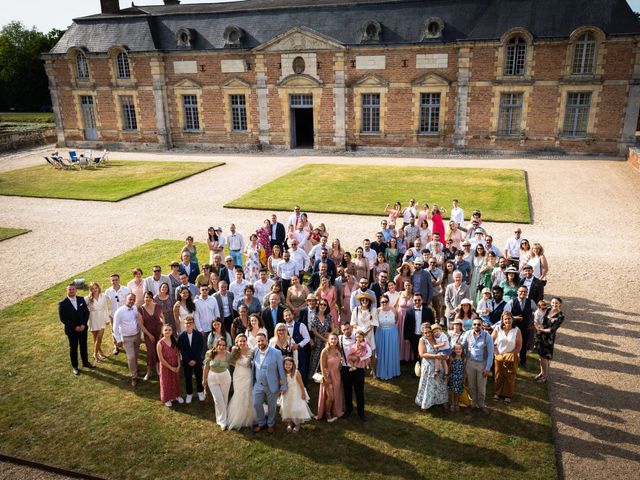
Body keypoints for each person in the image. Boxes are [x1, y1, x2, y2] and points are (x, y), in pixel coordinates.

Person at [252, 332, 287, 434]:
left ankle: (271, 423)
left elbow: (281, 370)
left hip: (272, 385)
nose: (260, 343)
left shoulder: (276, 353)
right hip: (258, 384)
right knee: (256, 403)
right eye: (258, 341)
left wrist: (283, 386)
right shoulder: (255, 351)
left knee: (272, 406)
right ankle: (261, 422)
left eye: (262, 340)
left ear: (266, 340)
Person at [59, 283, 93, 375]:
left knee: (84, 346)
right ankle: (75, 367)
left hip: (83, 328)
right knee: (73, 348)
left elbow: (86, 313)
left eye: (73, 289)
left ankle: (85, 362)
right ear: (67, 291)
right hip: (71, 330)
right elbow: (63, 318)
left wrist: (83, 324)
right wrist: (75, 327)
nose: (71, 291)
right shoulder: (63, 303)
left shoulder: (81, 299)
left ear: (76, 290)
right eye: (69, 289)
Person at [461, 318, 494, 414]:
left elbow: (490, 354)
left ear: (482, 325)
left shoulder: (487, 337)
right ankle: (473, 403)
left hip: (482, 364)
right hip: (470, 363)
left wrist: (487, 368)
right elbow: (462, 346)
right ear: (472, 325)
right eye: (474, 324)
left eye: (478, 324)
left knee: (481, 386)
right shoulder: (468, 334)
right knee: (471, 384)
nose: (476, 326)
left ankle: (482, 404)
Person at [339, 322, 370, 421]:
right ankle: (349, 410)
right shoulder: (339, 338)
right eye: (344, 330)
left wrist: (359, 358)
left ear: (351, 328)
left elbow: (368, 351)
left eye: (348, 329)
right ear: (341, 330)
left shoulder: (358, 336)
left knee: (359, 391)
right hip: (345, 367)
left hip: (358, 368)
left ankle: (361, 412)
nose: (346, 331)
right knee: (347, 391)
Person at [415, 323, 449, 411]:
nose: (428, 334)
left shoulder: (437, 337)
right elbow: (422, 354)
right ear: (422, 333)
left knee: (440, 383)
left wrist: (445, 355)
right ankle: (426, 403)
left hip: (439, 364)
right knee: (428, 385)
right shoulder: (422, 340)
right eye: (425, 333)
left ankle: (442, 401)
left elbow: (445, 346)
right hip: (428, 365)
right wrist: (435, 356)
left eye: (429, 332)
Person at [226, 333, 257, 430]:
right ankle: (239, 418)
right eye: (240, 341)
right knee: (239, 394)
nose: (242, 343)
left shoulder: (251, 350)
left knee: (248, 394)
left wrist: (251, 358)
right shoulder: (235, 351)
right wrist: (249, 359)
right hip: (238, 376)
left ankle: (249, 416)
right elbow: (243, 363)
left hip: (248, 375)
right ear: (237, 342)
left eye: (244, 341)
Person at [112, 293, 144, 386]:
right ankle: (134, 377)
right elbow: (115, 327)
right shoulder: (119, 312)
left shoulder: (135, 308)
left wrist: (140, 335)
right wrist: (118, 340)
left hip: (136, 335)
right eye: (130, 299)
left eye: (133, 299)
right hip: (126, 338)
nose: (132, 301)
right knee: (131, 357)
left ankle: (136, 370)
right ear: (125, 300)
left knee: (136, 354)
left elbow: (138, 321)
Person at [492, 312, 522, 404]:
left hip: (512, 356)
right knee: (498, 375)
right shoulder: (497, 329)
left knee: (509, 376)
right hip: (499, 356)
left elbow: (519, 346)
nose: (507, 320)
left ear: (512, 319)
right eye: (505, 319)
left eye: (509, 318)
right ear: (502, 320)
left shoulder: (516, 330)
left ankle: (507, 395)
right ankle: (497, 393)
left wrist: (511, 354)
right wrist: (496, 352)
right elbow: (491, 341)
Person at [203, 338, 233, 430]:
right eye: (220, 345)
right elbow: (206, 367)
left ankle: (221, 419)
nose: (221, 347)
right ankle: (223, 421)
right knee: (217, 400)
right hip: (212, 378)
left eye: (224, 345)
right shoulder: (209, 353)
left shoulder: (228, 354)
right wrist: (204, 379)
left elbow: (236, 362)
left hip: (225, 378)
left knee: (224, 399)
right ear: (216, 345)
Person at [507, 285, 537, 369]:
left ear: (527, 293)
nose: (523, 293)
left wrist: (534, 322)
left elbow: (537, 312)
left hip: (526, 328)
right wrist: (515, 318)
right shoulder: (511, 302)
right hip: (513, 327)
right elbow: (506, 315)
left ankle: (523, 361)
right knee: (512, 344)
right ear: (517, 292)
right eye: (521, 291)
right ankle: (511, 360)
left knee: (524, 345)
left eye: (525, 292)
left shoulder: (531, 302)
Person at [534, 297, 564, 383]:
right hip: (540, 335)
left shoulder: (561, 316)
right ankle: (542, 372)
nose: (554, 304)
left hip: (548, 338)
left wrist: (541, 330)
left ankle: (545, 376)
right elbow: (538, 317)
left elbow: (552, 329)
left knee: (545, 358)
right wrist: (537, 326)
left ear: (560, 304)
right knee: (540, 356)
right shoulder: (547, 310)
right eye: (553, 302)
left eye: (556, 303)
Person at [315, 332, 344, 422]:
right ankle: (327, 414)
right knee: (330, 396)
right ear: (328, 340)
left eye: (335, 339)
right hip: (327, 376)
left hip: (337, 375)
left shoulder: (338, 350)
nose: (333, 340)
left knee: (336, 395)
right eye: (331, 339)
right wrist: (326, 378)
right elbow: (322, 366)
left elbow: (339, 364)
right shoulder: (325, 351)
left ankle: (334, 411)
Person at [280, 357, 313, 433]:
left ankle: (297, 424)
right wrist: (282, 389)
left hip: (296, 393)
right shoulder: (283, 373)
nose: (288, 366)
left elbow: (301, 384)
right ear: (283, 365)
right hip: (287, 393)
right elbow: (281, 383)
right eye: (286, 364)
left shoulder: (296, 373)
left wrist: (303, 393)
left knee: (296, 407)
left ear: (293, 365)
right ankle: (289, 422)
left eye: (290, 364)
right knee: (287, 407)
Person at [177, 316, 205, 403]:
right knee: (188, 377)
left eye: (190, 323)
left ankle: (200, 391)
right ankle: (189, 393)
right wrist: (188, 360)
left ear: (193, 324)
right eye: (186, 323)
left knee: (199, 376)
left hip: (197, 360)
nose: (188, 325)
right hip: (187, 361)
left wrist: (195, 360)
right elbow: (182, 350)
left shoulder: (199, 335)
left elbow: (201, 348)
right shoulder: (181, 336)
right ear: (184, 324)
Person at [351, 292, 379, 377]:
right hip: (359, 334)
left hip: (369, 334)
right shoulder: (356, 309)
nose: (364, 301)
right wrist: (360, 332)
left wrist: (366, 332)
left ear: (369, 301)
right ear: (360, 301)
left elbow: (374, 323)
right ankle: (359, 369)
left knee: (372, 353)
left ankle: (373, 370)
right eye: (362, 300)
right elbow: (353, 323)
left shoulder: (373, 310)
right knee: (358, 352)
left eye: (366, 300)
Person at [139, 291, 164, 381]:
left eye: (150, 297)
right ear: (144, 298)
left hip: (158, 331)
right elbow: (141, 324)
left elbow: (162, 317)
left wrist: (163, 326)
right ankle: (148, 371)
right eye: (146, 297)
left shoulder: (158, 306)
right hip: (148, 333)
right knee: (150, 352)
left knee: (158, 351)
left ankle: (158, 369)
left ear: (152, 298)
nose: (148, 299)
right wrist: (149, 335)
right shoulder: (141, 309)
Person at [375, 294, 400, 380]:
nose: (384, 303)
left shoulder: (394, 310)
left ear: (388, 302)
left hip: (392, 333)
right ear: (380, 303)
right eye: (382, 302)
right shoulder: (377, 311)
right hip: (380, 333)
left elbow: (396, 320)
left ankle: (392, 371)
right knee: (381, 352)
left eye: (386, 301)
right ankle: (381, 371)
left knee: (391, 351)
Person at [404, 292, 435, 362]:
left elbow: (432, 323)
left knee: (425, 350)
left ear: (422, 300)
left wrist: (432, 334)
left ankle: (425, 365)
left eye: (419, 300)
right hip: (413, 335)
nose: (417, 302)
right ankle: (417, 367)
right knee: (415, 351)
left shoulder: (428, 310)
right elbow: (406, 325)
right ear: (413, 301)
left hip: (425, 335)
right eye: (415, 300)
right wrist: (406, 337)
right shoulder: (409, 311)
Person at [282, 308, 311, 384]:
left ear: (293, 315)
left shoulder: (301, 325)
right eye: (286, 316)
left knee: (301, 369)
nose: (288, 317)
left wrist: (299, 345)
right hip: (287, 354)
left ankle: (303, 387)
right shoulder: (282, 327)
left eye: (289, 315)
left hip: (300, 351)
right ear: (283, 317)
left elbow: (307, 338)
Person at [157, 324, 182, 407]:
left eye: (169, 330)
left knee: (175, 380)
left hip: (175, 363)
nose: (167, 331)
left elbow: (178, 354)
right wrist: (171, 368)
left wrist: (178, 365)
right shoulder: (160, 344)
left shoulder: (174, 340)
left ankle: (176, 396)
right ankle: (167, 398)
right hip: (166, 365)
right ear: (162, 332)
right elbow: (161, 359)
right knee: (166, 381)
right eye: (166, 330)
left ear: (172, 332)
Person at [104, 273, 129, 355]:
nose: (115, 282)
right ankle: (116, 346)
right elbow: (104, 303)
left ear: (119, 280)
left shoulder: (126, 289)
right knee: (114, 330)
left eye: (116, 280)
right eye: (113, 280)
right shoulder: (108, 291)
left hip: (124, 314)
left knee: (125, 329)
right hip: (113, 315)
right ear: (110, 281)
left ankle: (127, 345)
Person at [308, 299, 333, 381]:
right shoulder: (314, 316)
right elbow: (314, 332)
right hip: (318, 340)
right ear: (318, 305)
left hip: (327, 340)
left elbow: (332, 329)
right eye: (321, 304)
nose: (322, 306)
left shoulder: (329, 316)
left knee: (326, 359)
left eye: (325, 305)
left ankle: (324, 376)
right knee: (315, 359)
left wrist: (329, 336)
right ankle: (312, 377)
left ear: (327, 306)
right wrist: (324, 339)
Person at [85, 282, 108, 362]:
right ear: (90, 290)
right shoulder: (87, 298)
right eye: (93, 289)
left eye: (96, 288)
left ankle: (95, 354)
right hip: (92, 319)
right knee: (95, 338)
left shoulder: (103, 296)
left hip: (101, 318)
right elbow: (83, 310)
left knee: (99, 338)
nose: (95, 290)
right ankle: (99, 351)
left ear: (98, 288)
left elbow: (105, 308)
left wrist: (107, 319)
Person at [447, 343, 466, 412]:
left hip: (460, 377)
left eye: (460, 349)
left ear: (462, 350)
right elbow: (449, 367)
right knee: (452, 390)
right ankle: (453, 403)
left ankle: (457, 403)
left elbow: (464, 370)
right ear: (454, 350)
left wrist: (464, 378)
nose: (458, 350)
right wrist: (448, 375)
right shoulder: (452, 358)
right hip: (453, 377)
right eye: (456, 349)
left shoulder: (464, 359)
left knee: (458, 391)